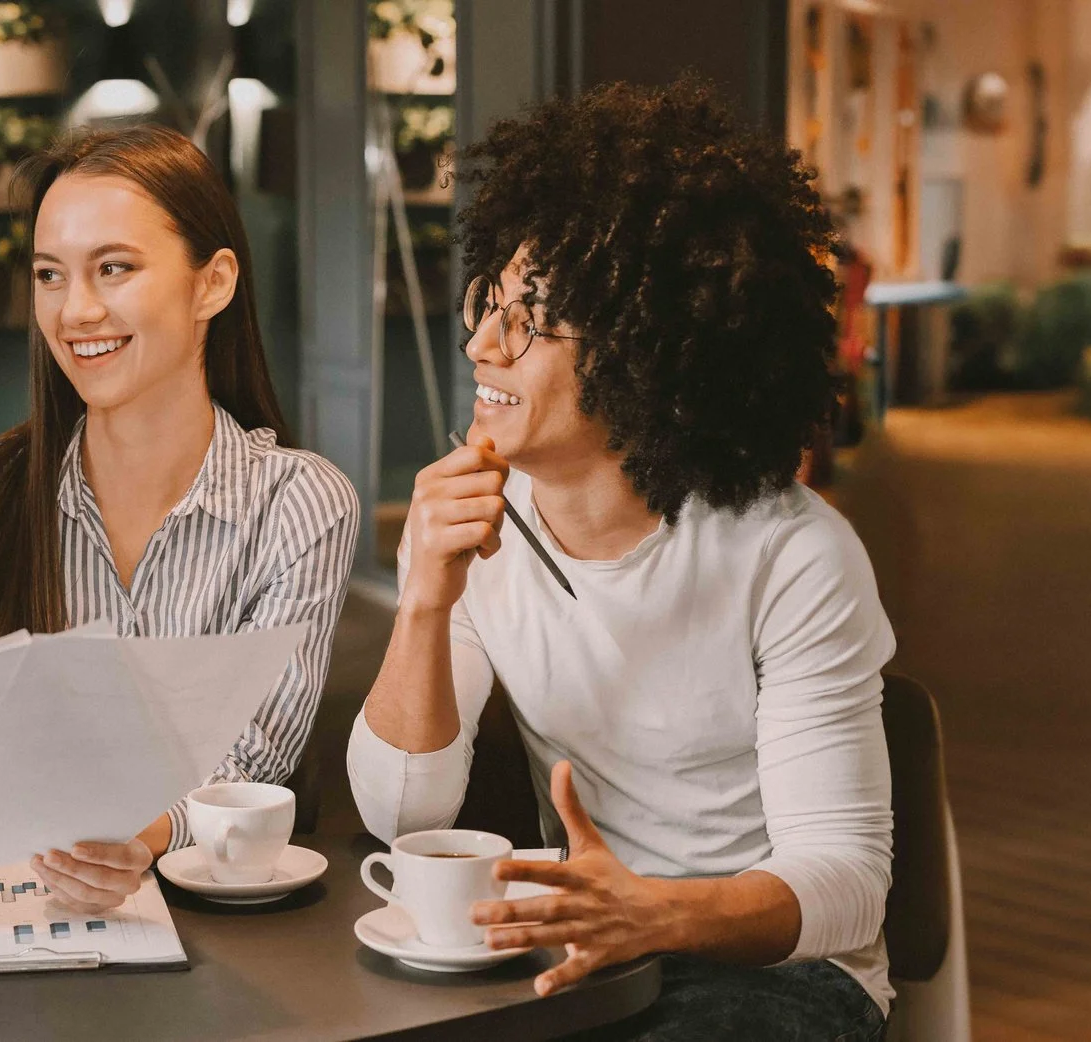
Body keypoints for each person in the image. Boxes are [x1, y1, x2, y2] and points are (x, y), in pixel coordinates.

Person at [347, 81, 897, 1040]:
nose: (483, 343)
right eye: (490, 301)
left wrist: (655, 911)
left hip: (783, 978)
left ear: (648, 349)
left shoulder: (792, 555)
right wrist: (427, 600)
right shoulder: (479, 525)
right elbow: (400, 815)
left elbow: (846, 887)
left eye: (531, 317)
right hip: (595, 958)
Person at [0, 125, 357, 912]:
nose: (76, 311)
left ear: (211, 284)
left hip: (207, 928)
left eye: (114, 269)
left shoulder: (298, 502)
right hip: (0, 918)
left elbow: (255, 756)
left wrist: (138, 836)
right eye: (50, 275)